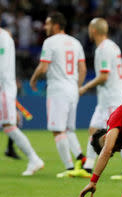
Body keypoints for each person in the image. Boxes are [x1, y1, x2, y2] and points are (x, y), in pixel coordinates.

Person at [0, 8, 43, 175]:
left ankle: (34, 159)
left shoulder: (2, 38)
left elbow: (3, 65)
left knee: (8, 126)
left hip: (2, 90)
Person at [30, 12, 87, 176]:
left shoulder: (50, 42)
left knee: (57, 130)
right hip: (72, 89)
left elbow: (43, 67)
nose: (44, 27)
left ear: (56, 25)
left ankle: (69, 168)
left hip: (57, 90)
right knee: (69, 129)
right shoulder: (76, 43)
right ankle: (80, 158)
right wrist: (77, 86)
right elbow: (82, 69)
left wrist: (33, 79)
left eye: (47, 24)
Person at [75, 18, 122, 177]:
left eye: (90, 29)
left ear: (94, 31)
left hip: (112, 99)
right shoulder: (113, 46)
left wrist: (85, 87)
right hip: (107, 98)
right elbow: (121, 72)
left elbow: (104, 76)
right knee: (94, 129)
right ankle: (88, 167)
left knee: (120, 136)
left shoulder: (103, 49)